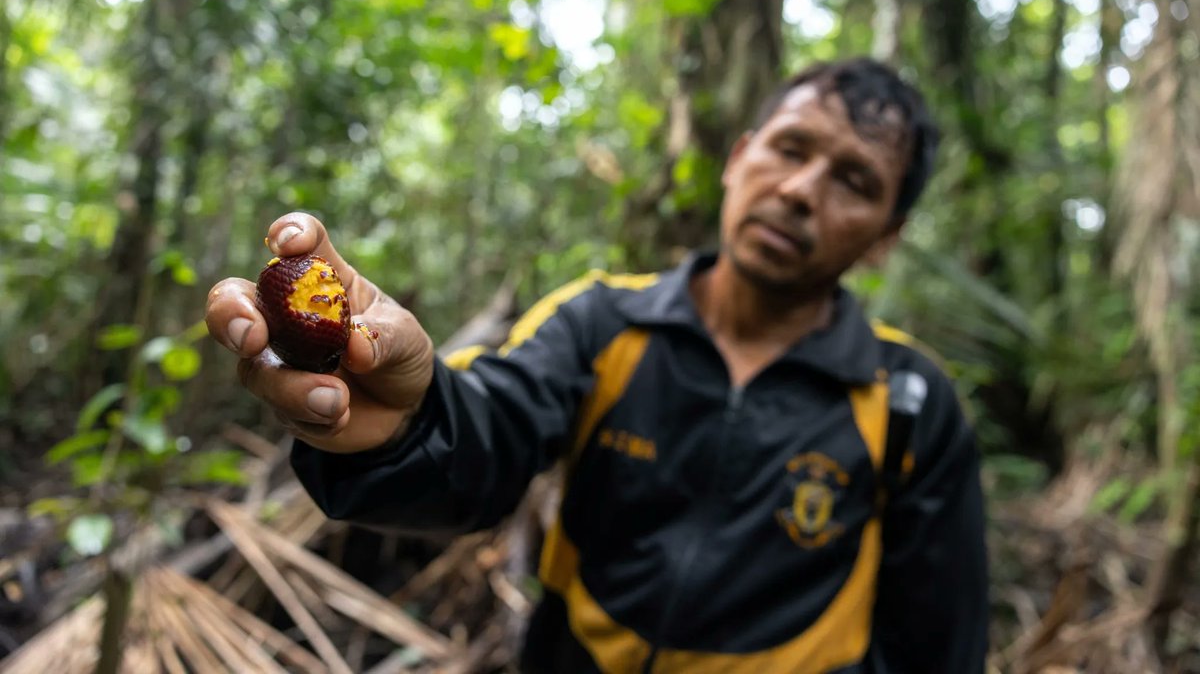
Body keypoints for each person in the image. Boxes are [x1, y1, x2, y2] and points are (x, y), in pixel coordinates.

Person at [205, 57, 989, 674]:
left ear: (886, 236)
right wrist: (405, 421)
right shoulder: (601, 321)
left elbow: (938, 646)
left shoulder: (909, 402)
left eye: (854, 181)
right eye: (790, 148)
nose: (800, 191)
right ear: (740, 156)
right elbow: (487, 436)